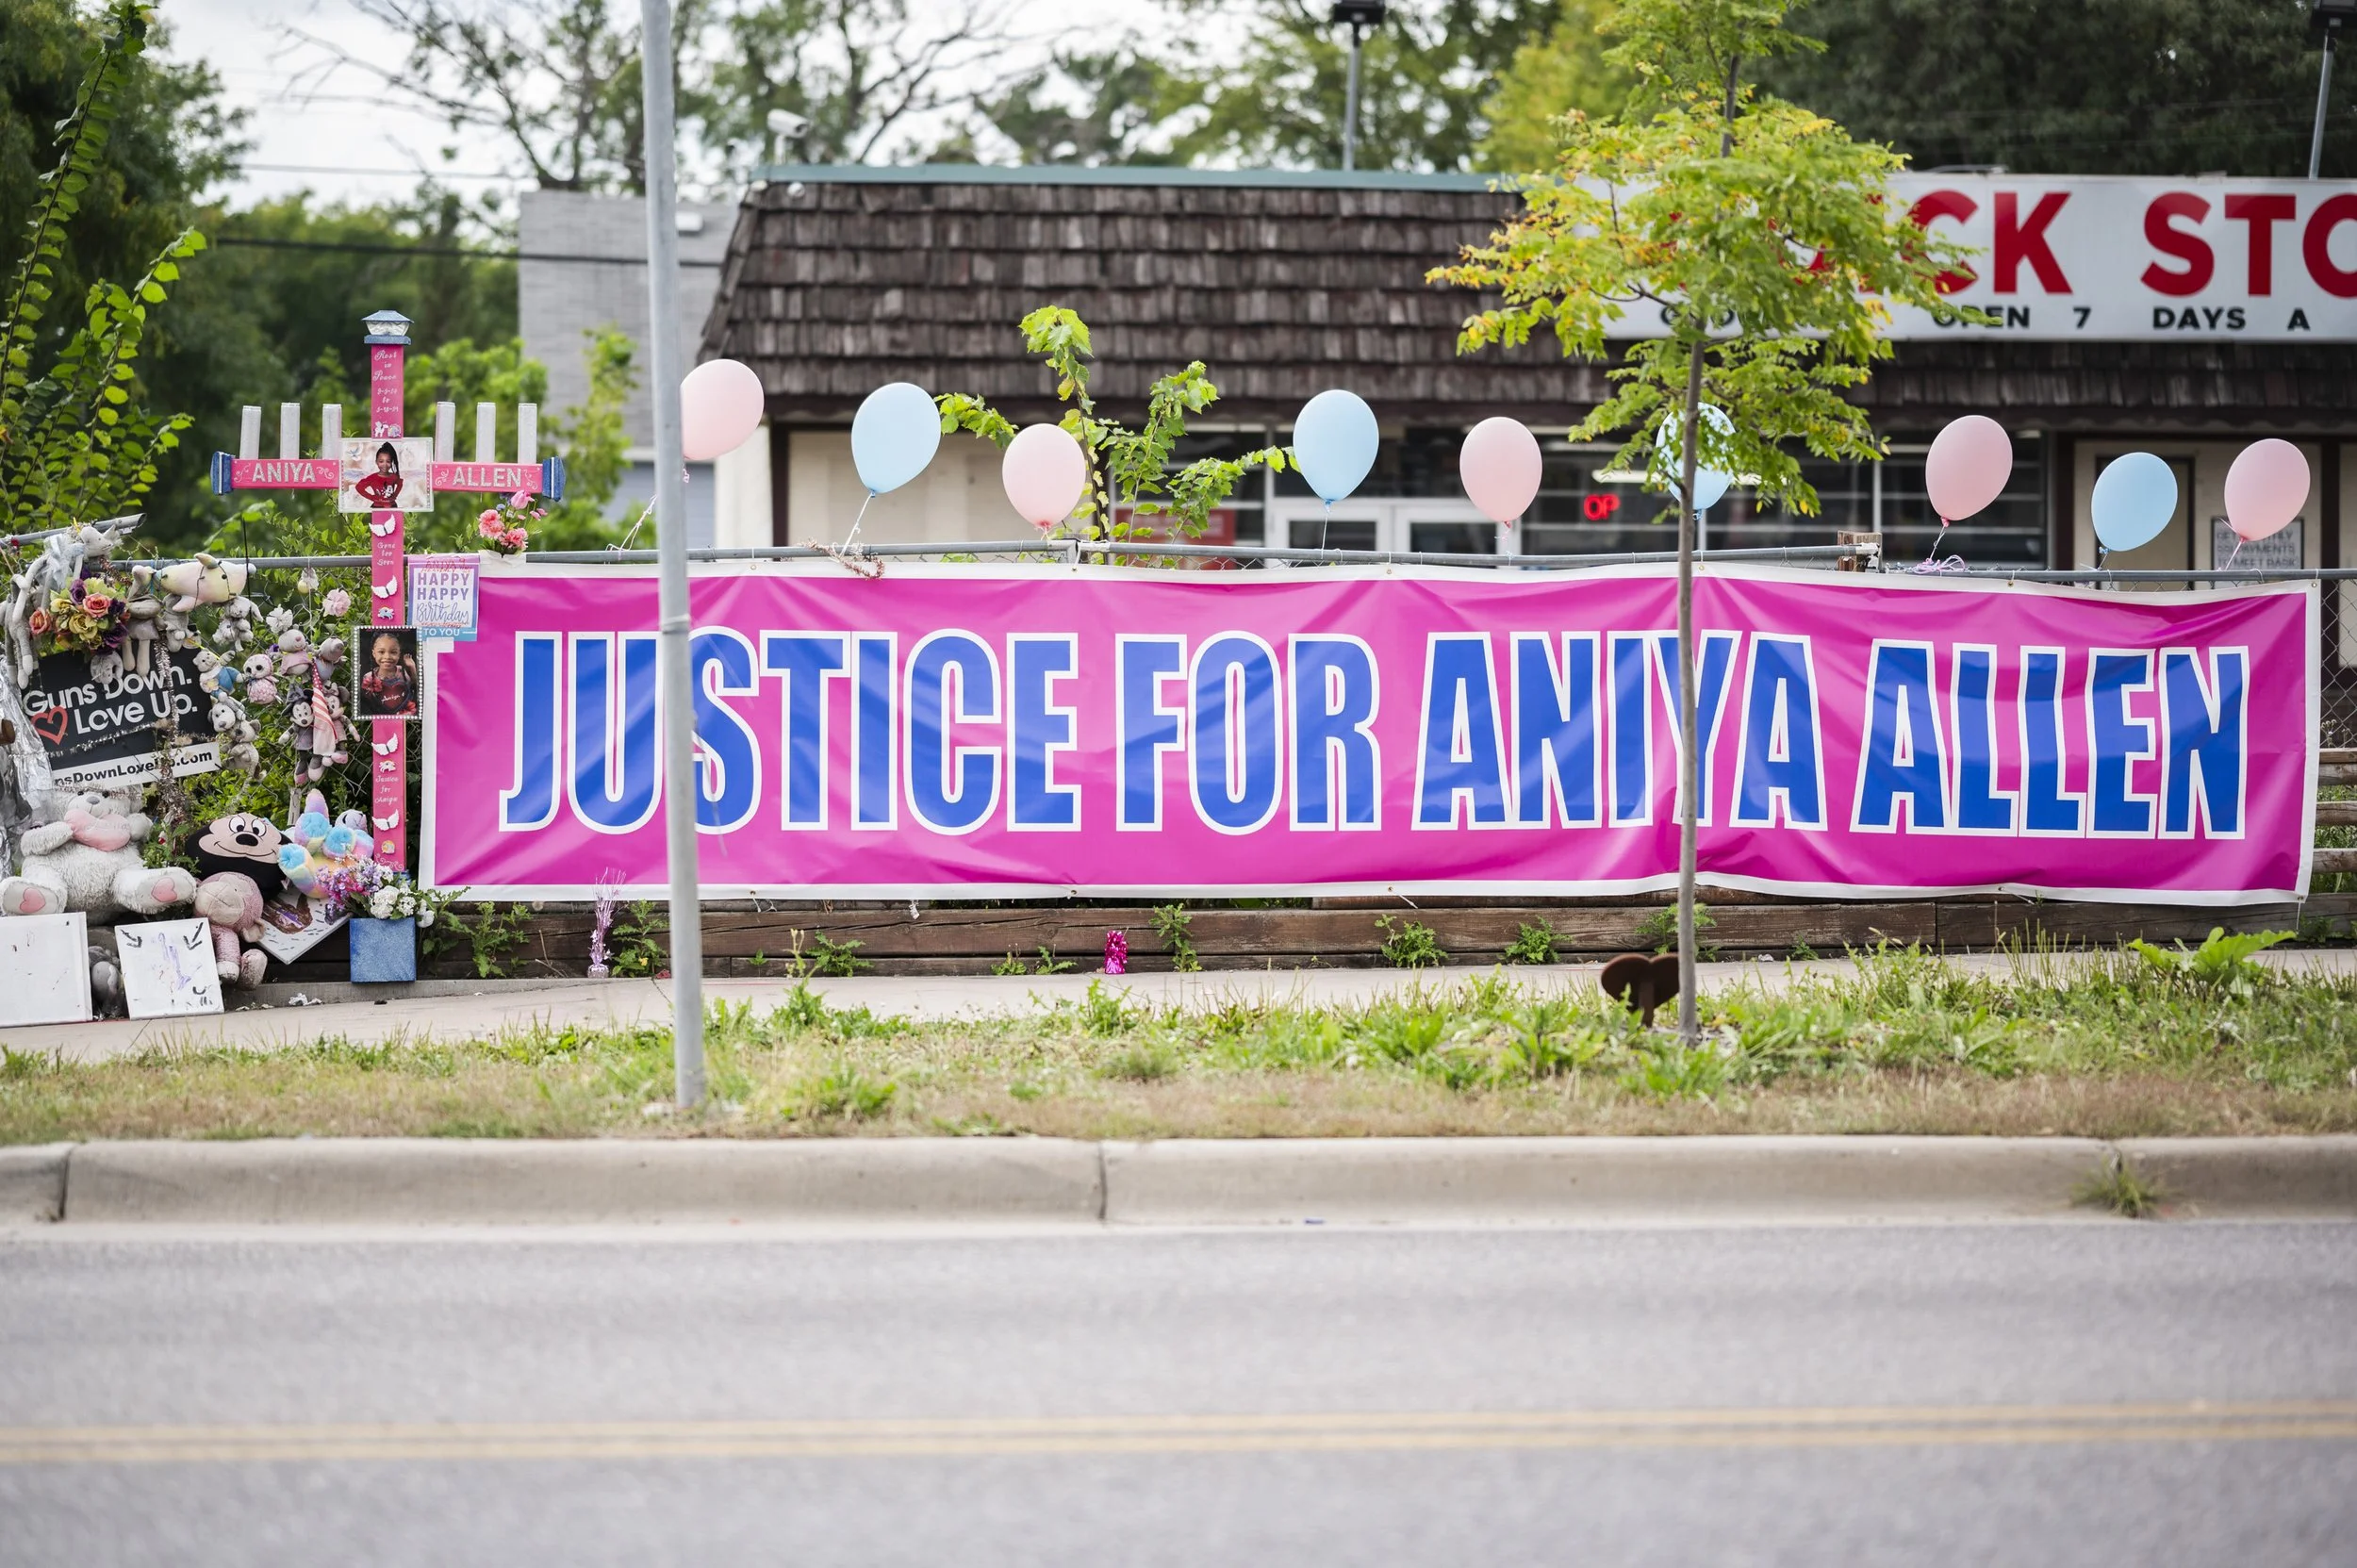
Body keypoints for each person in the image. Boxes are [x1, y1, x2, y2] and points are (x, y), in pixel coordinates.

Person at [359, 631, 417, 718]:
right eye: (381, 652)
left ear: (399, 654)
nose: (387, 657)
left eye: (393, 652)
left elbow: (412, 686)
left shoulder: (402, 671)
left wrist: (412, 667)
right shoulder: (369, 677)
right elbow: (368, 700)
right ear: (374, 653)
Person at [353, 442, 404, 510]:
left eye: (388, 461)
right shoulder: (372, 478)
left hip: (392, 506)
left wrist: (395, 495)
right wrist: (372, 497)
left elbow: (400, 484)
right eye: (381, 461)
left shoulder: (393, 476)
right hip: (377, 507)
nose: (385, 465)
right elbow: (359, 487)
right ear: (376, 462)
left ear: (391, 463)